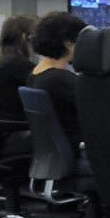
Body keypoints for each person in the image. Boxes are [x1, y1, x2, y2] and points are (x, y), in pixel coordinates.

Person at [27, 11, 88, 150]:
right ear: (68, 43)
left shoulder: (35, 75)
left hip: (55, 152)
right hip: (79, 150)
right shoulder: (59, 79)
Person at [0, 14, 37, 155]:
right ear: (25, 38)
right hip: (11, 135)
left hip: (2, 134)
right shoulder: (19, 65)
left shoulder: (2, 61)